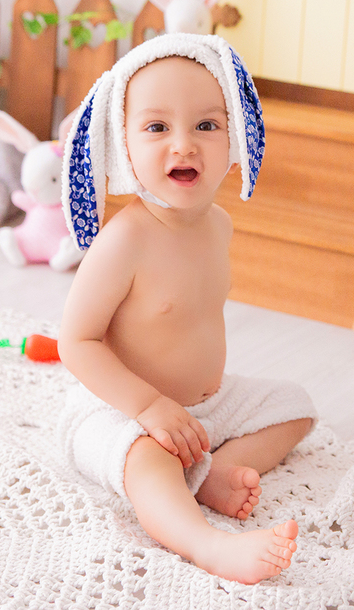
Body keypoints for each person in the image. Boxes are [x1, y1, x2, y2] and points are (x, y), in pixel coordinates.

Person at [57, 34, 317, 585]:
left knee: (295, 406)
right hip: (122, 410)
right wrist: (148, 405)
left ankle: (212, 473)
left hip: (206, 407)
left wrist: (192, 411)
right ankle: (206, 544)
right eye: (157, 128)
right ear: (122, 146)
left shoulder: (218, 225)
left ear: (235, 139)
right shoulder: (124, 241)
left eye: (206, 125)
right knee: (146, 462)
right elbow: (75, 341)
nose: (184, 145)